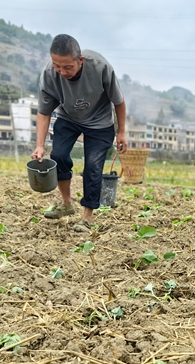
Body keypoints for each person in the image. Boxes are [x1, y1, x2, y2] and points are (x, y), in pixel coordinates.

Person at [31, 34, 126, 232]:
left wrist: (122, 132)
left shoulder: (100, 67)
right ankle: (66, 204)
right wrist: (39, 145)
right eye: (57, 65)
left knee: (93, 166)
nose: (61, 71)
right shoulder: (49, 74)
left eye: (67, 67)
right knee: (58, 156)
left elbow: (118, 101)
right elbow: (44, 112)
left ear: (80, 61)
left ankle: (87, 217)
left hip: (100, 123)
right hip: (68, 118)